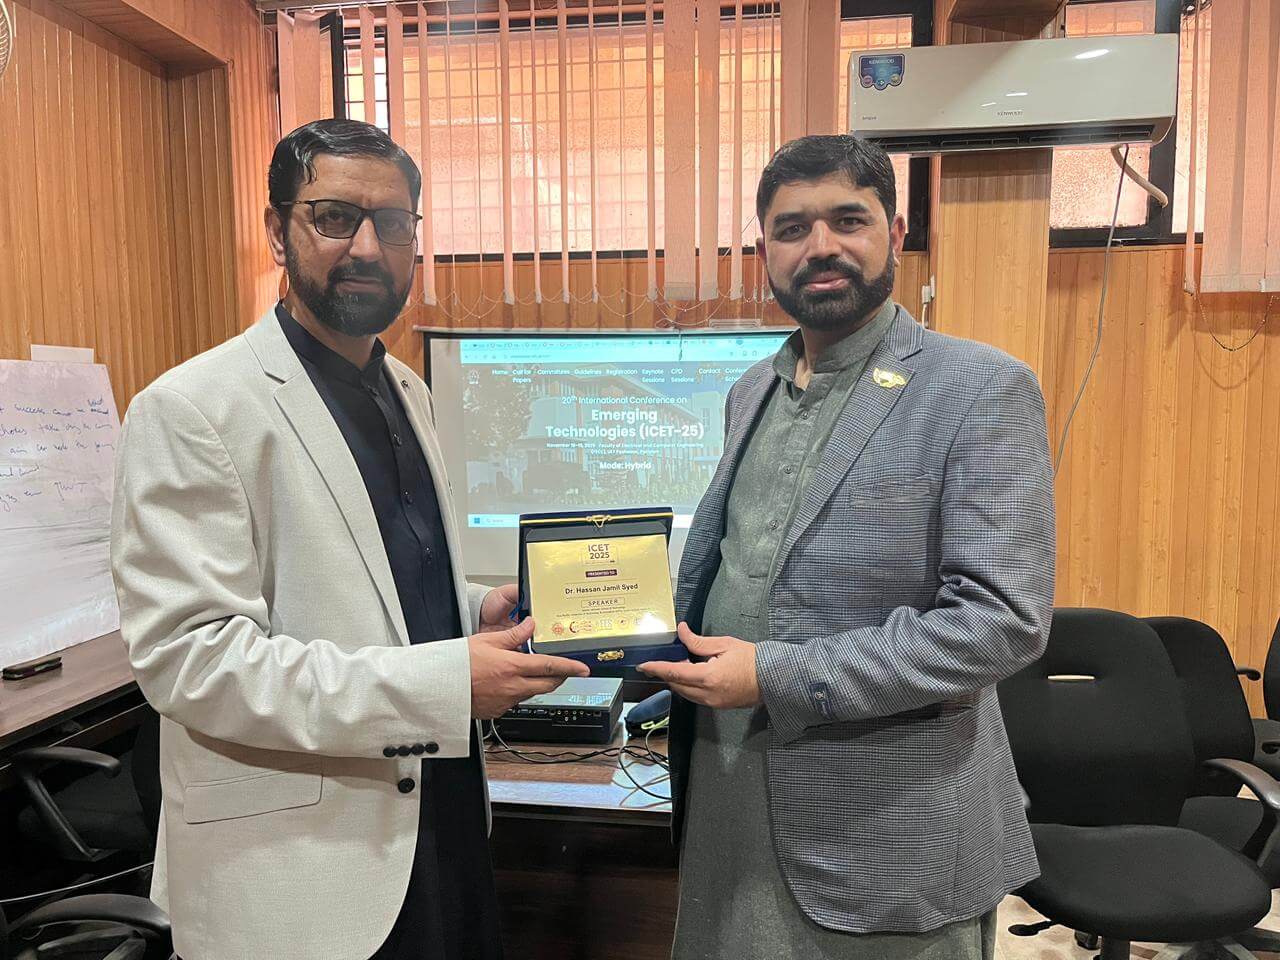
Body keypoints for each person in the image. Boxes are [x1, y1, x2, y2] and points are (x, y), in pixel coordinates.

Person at [110, 118, 587, 960]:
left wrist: (477, 608)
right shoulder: (191, 409)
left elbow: (380, 576)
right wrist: (448, 682)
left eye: (392, 222)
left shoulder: (406, 388)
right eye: (334, 217)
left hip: (440, 826)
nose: (367, 246)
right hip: (301, 873)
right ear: (278, 231)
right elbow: (194, 662)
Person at [639, 134, 1055, 960]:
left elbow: (1001, 623)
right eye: (792, 228)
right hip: (727, 799)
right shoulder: (751, 389)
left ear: (894, 233)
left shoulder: (979, 387)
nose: (820, 246)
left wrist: (775, 675)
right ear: (765, 251)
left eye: (848, 220)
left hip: (886, 829)